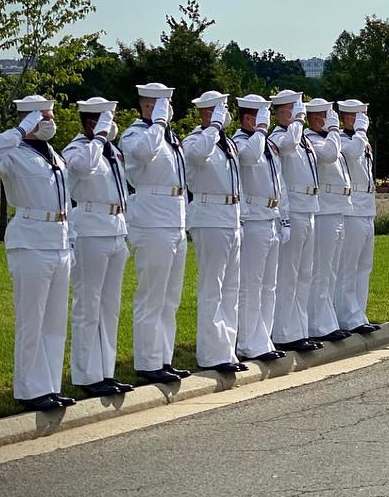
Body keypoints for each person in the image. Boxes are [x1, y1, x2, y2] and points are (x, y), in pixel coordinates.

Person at [0, 95, 75, 412]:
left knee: (54, 322)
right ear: (29, 118)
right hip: (30, 241)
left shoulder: (54, 155)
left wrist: (70, 241)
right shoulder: (12, 154)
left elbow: (65, 202)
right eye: (43, 115)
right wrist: (20, 130)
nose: (50, 120)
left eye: (50, 114)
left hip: (58, 241)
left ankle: (49, 386)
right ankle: (28, 390)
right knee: (31, 320)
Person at [119, 82, 192, 385]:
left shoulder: (168, 136)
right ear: (149, 106)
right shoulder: (135, 134)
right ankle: (147, 362)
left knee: (170, 297)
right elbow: (145, 154)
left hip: (174, 220)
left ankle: (163, 357)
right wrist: (158, 122)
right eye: (164, 103)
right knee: (151, 295)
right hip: (152, 221)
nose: (169, 108)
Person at [61, 97, 134, 396]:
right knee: (88, 305)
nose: (112, 123)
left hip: (115, 230)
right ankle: (86, 375)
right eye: (107, 118)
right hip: (90, 230)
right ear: (93, 121)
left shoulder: (110, 151)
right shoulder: (78, 149)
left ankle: (106, 370)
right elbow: (85, 168)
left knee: (109, 307)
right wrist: (100, 137)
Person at [182, 90, 246, 376]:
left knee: (231, 288)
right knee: (213, 287)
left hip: (230, 216)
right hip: (209, 216)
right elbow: (197, 155)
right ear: (208, 112)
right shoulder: (196, 139)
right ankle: (210, 353)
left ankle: (227, 348)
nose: (226, 112)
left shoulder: (226, 143)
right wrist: (214, 127)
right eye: (221, 108)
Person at [232, 93, 286, 364]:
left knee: (269, 285)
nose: (266, 119)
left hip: (271, 216)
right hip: (253, 218)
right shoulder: (242, 143)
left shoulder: (265, 145)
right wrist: (262, 131)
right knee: (251, 285)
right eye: (262, 115)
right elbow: (249, 158)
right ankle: (248, 342)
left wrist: (283, 217)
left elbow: (279, 181)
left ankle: (263, 338)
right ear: (249, 117)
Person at [268, 89, 322, 353]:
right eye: (295, 109)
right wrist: (298, 123)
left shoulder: (301, 139)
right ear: (284, 112)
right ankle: (284, 332)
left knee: (304, 274)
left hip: (309, 207)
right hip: (294, 210)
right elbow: (288, 147)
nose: (300, 112)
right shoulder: (279, 137)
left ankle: (300, 329)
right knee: (288, 275)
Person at [303, 97, 350, 343]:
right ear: (316, 118)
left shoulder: (326, 138)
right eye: (327, 115)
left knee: (330, 270)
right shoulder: (312, 140)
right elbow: (330, 155)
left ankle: (327, 319)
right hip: (324, 210)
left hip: (336, 208)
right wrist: (333, 130)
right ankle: (317, 323)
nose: (332, 120)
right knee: (320, 270)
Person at [335, 98, 378, 337]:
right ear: (348, 117)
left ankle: (359, 313)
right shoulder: (343, 139)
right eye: (359, 116)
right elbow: (351, 154)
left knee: (364, 265)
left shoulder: (361, 139)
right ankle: (346, 316)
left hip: (366, 207)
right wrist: (360, 131)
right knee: (348, 266)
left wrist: (361, 133)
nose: (363, 120)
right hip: (351, 208)